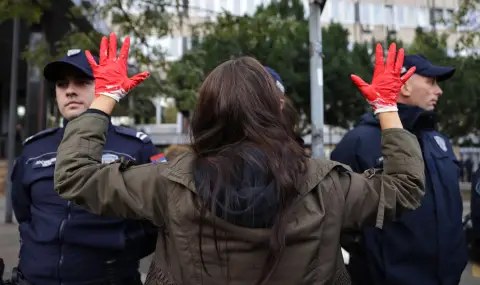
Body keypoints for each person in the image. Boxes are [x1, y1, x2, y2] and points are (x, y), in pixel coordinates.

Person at [53, 34, 424, 284]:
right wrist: (387, 107)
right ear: (276, 110)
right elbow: (404, 189)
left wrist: (106, 97)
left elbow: (74, 175)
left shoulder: (168, 183)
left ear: (205, 114)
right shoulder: (327, 184)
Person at [10, 47, 159, 285]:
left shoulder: (135, 147)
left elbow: (154, 221)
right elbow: (24, 212)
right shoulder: (34, 148)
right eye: (62, 84)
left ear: (101, 87)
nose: (70, 91)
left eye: (81, 82)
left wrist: (119, 250)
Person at [331, 53, 468, 285]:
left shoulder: (439, 141)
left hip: (447, 277)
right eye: (431, 82)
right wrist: (373, 260)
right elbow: (337, 215)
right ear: (404, 85)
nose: (439, 91)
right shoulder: (358, 142)